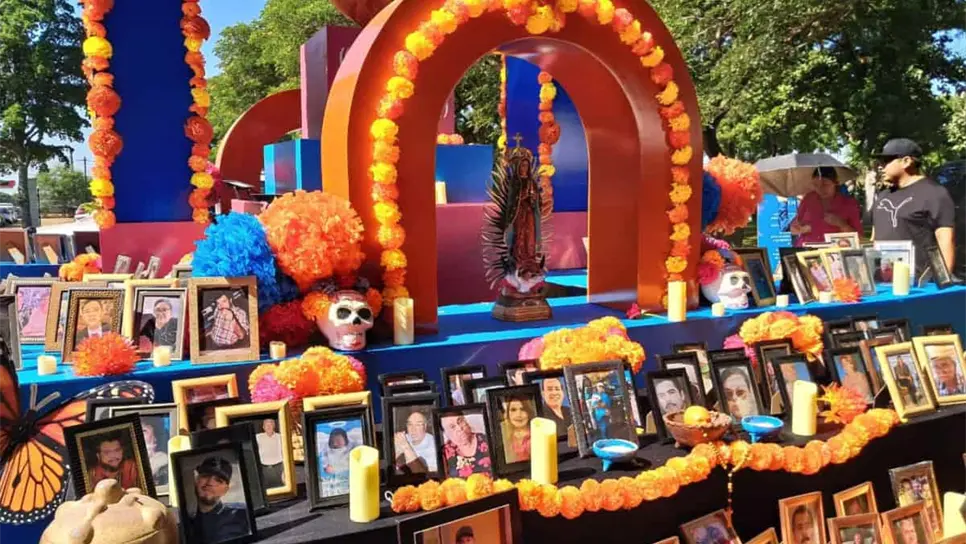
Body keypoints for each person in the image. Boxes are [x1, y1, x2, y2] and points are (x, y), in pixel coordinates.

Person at [873, 138, 956, 280]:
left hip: (919, 286)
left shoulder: (934, 193)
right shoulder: (883, 196)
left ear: (906, 161)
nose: (881, 166)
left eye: (886, 160)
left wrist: (943, 282)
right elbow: (875, 237)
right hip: (883, 282)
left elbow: (946, 239)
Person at [789, 167, 862, 247]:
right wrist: (798, 228)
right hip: (807, 250)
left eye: (825, 184)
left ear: (836, 182)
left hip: (833, 252)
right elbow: (795, 225)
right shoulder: (808, 199)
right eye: (816, 185)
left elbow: (858, 237)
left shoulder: (849, 204)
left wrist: (842, 224)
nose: (820, 189)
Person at [184, 456, 250, 543]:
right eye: (206, 476)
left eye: (218, 480)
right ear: (196, 480)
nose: (210, 482)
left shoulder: (243, 514)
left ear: (225, 490)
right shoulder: (184, 523)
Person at [393, 409, 437, 474]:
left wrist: (405, 446)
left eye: (418, 425)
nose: (413, 429)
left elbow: (424, 476)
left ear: (425, 426)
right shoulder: (405, 437)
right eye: (410, 424)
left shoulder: (433, 445)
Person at [501, 399, 532, 463]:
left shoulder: (538, 434)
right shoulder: (503, 434)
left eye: (523, 409)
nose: (518, 415)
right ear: (507, 414)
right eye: (513, 410)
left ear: (528, 412)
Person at [255, 419, 284, 488]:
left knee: (281, 487)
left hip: (279, 467)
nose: (268, 427)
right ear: (263, 427)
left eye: (270, 425)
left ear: (274, 426)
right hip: (263, 468)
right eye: (266, 425)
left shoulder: (280, 437)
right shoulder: (257, 437)